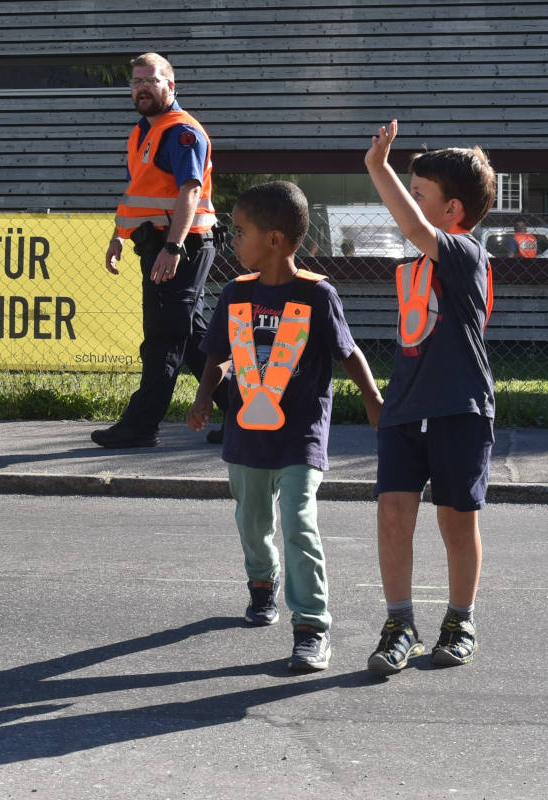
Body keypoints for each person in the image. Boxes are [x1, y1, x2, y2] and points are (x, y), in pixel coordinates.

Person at [187, 181, 384, 672]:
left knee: (298, 523)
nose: (233, 240)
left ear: (274, 239)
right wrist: (204, 396)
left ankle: (312, 627)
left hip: (300, 434)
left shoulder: (316, 295)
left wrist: (373, 397)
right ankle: (262, 582)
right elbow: (217, 355)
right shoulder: (236, 293)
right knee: (253, 524)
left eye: (240, 231)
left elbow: (348, 352)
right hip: (247, 435)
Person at [363, 119, 496, 674]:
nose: (411, 203)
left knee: (456, 520)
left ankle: (460, 620)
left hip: (459, 407)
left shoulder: (465, 253)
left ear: (452, 210)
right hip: (406, 407)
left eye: (419, 193)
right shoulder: (418, 264)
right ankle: (400, 625)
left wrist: (377, 167)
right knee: (393, 514)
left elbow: (414, 227)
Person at [93, 52, 225, 448]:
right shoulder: (142, 132)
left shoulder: (181, 132)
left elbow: (191, 190)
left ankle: (140, 426)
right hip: (160, 245)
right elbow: (139, 194)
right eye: (136, 82)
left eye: (151, 80)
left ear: (171, 85)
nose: (142, 88)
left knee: (163, 337)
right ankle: (246, 415)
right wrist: (119, 235)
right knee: (193, 338)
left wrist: (173, 246)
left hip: (181, 247)